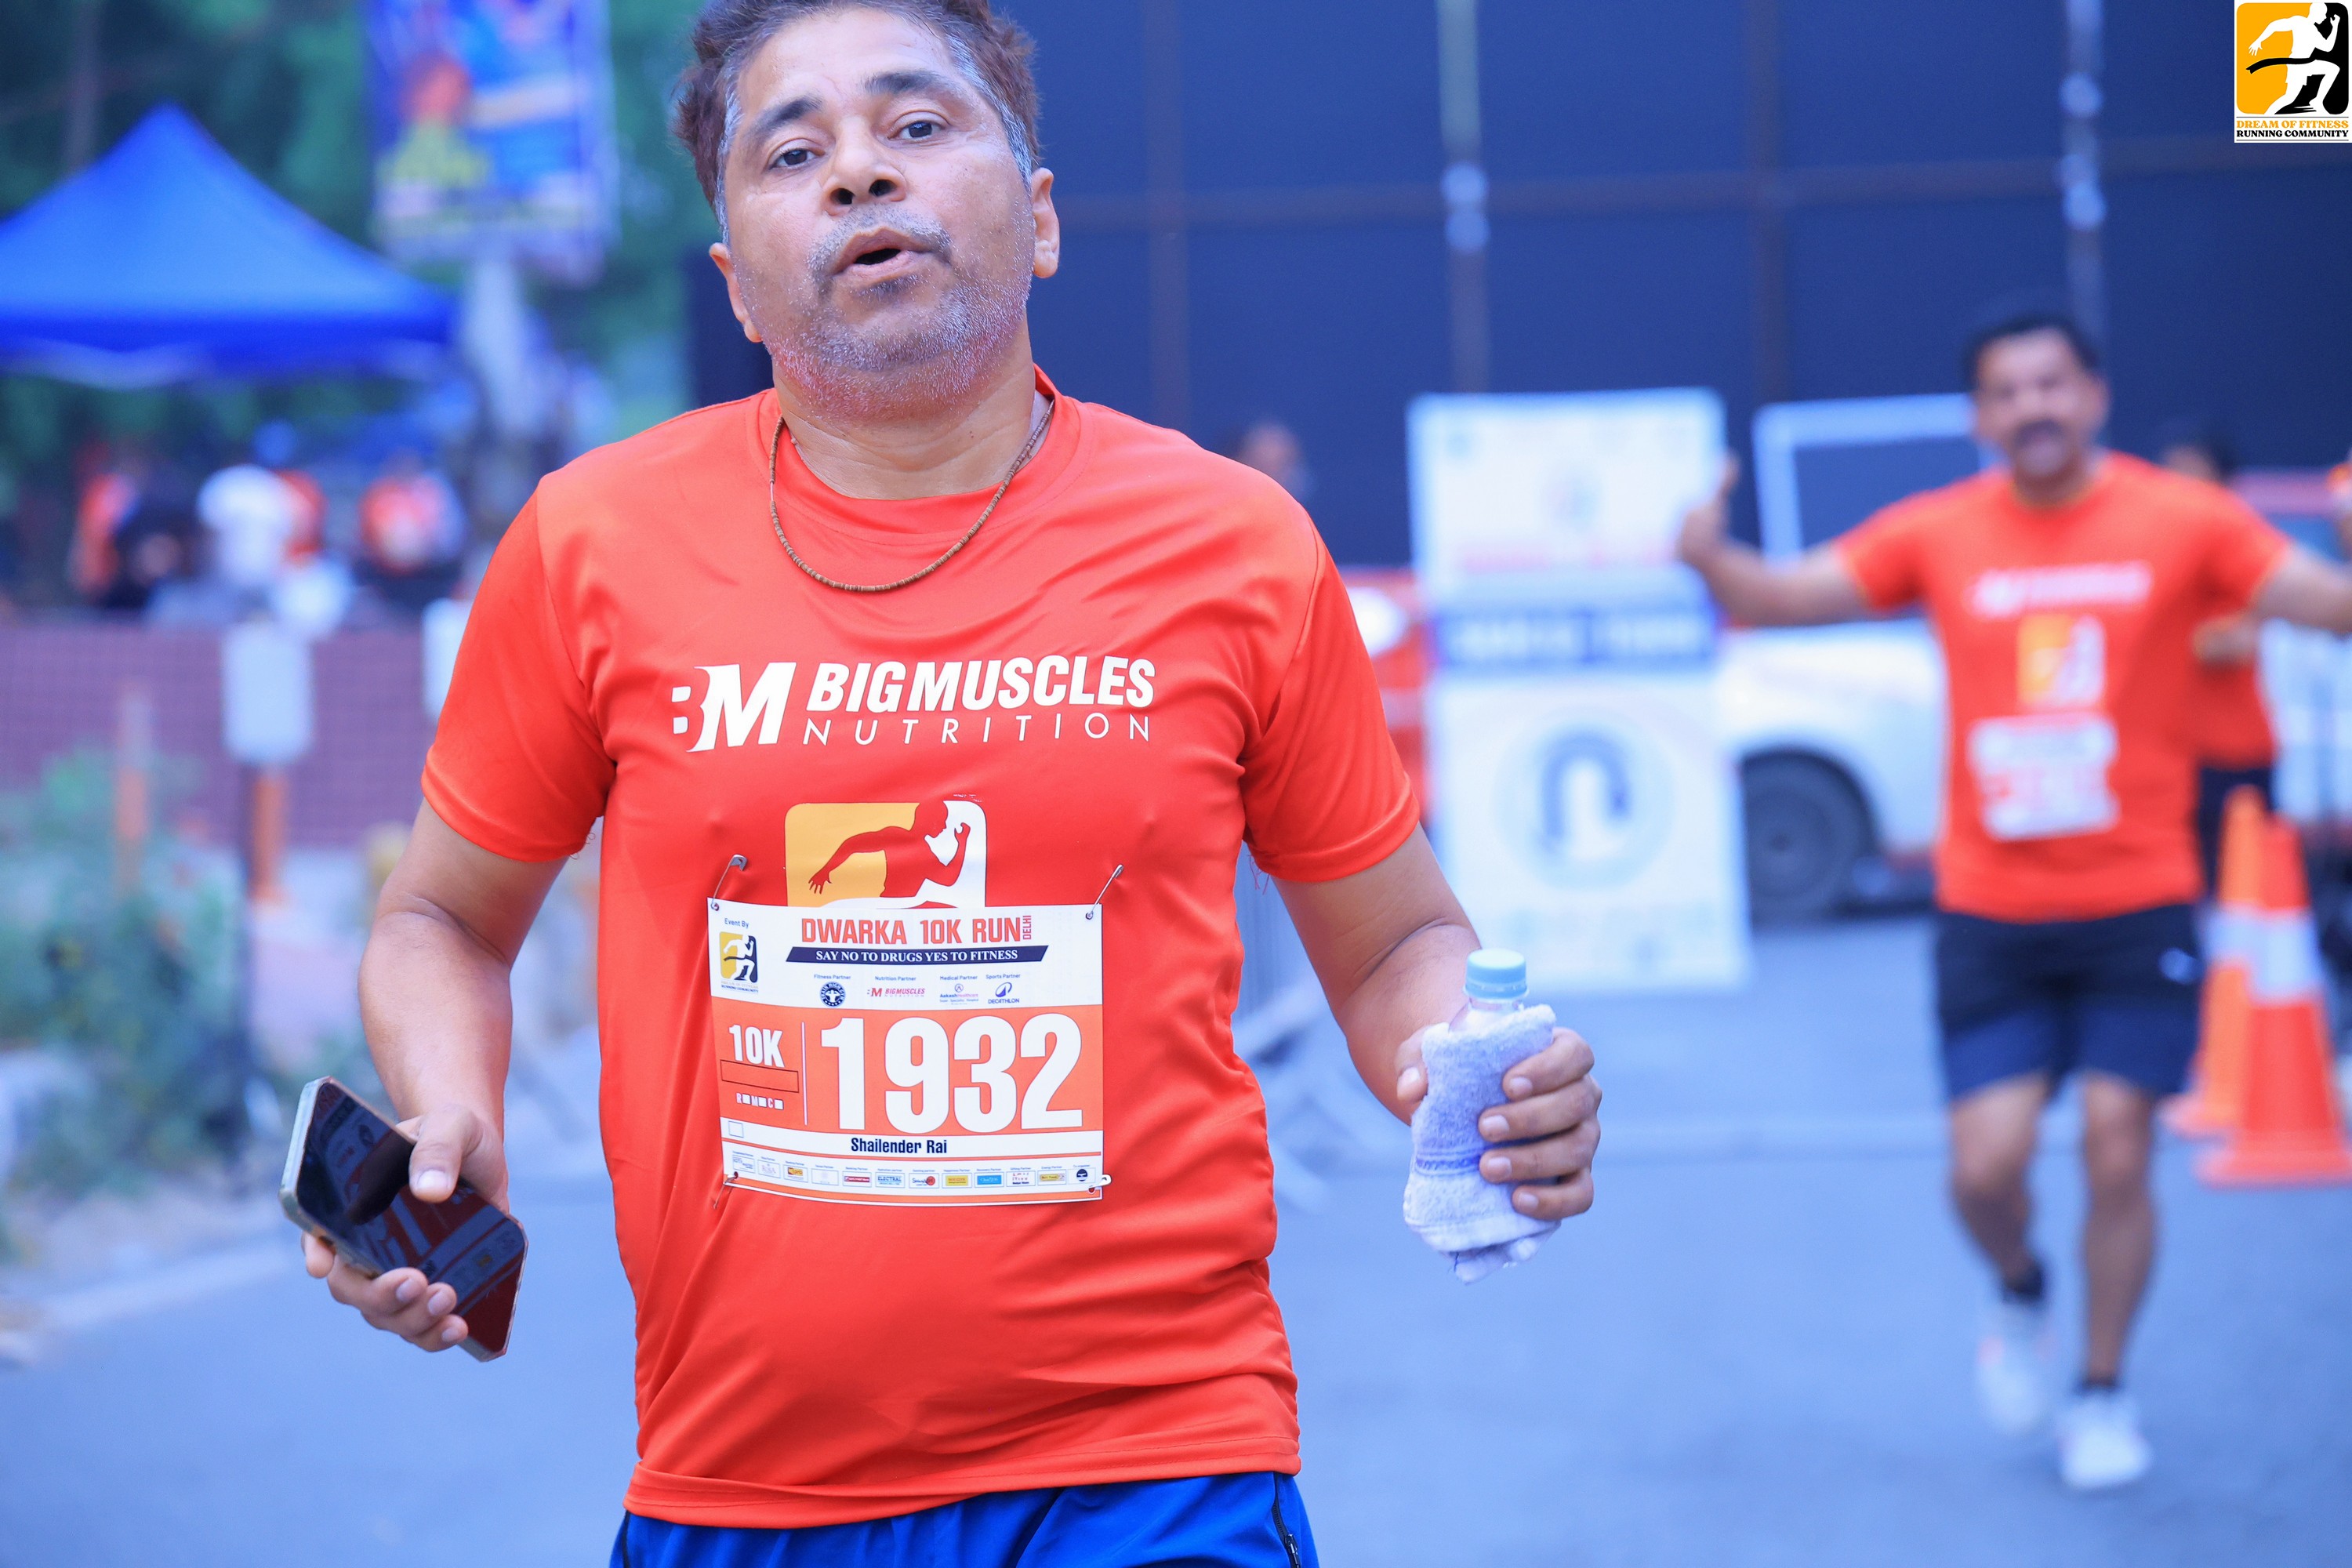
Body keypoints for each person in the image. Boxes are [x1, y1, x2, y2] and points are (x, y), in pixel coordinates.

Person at [305, 4, 1603, 1565]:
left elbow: (1395, 944)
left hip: (1160, 1470)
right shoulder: (591, 547)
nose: (861, 173)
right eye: (795, 152)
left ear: (1039, 218)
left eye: (917, 126)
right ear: (737, 283)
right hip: (745, 1487)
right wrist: (448, 1111)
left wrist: (1473, 1070)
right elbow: (442, 920)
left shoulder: (1236, 545)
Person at [1677, 303, 2352, 1491]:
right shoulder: (1942, 530)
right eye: (2008, 390)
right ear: (1980, 416)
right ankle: (2020, 1285)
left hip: (2138, 899)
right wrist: (1709, 557)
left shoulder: (2184, 519)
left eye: (2053, 383)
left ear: (2094, 395)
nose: (2034, 406)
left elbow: (2326, 604)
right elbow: (1784, 596)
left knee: (2118, 1145)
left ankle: (2102, 1389)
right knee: (1984, 1172)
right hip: (1991, 911)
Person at [2153, 419, 2275, 891]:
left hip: (2236, 752)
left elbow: (2239, 640)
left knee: (2245, 890)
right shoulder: (2160, 550)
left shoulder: (2244, 545)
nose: (2178, 487)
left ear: (2223, 484)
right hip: (2175, 755)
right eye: (2170, 474)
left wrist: (2155, 640)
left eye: (2191, 474)